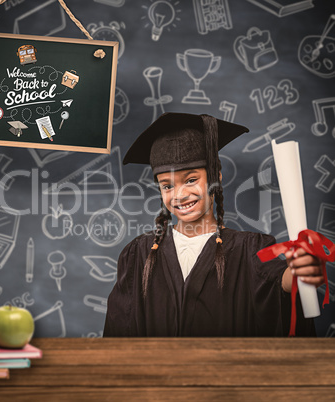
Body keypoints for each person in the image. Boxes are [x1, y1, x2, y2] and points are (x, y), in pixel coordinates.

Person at [103, 112, 324, 337]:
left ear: (215, 177)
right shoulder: (140, 253)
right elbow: (119, 328)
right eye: (167, 186)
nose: (180, 194)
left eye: (191, 180)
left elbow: (278, 284)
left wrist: (298, 273)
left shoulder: (248, 249)